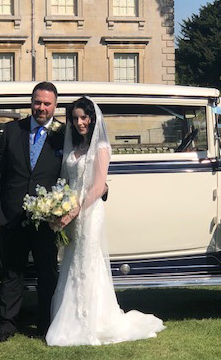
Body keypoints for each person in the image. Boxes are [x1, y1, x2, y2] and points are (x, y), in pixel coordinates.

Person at [45, 97, 165, 346]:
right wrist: (59, 208)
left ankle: (92, 320)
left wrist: (74, 209)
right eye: (75, 118)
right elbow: (66, 180)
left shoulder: (100, 147)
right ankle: (69, 317)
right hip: (71, 209)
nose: (80, 122)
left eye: (84, 117)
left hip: (89, 211)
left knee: (89, 261)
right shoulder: (73, 147)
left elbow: (99, 186)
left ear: (92, 118)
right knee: (71, 261)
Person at [0, 82, 65, 343]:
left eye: (47, 103)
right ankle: (7, 324)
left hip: (46, 219)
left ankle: (46, 323)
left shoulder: (63, 135)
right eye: (37, 102)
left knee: (47, 272)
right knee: (11, 272)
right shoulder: (11, 130)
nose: (41, 107)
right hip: (11, 213)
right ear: (31, 102)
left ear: (55, 106)